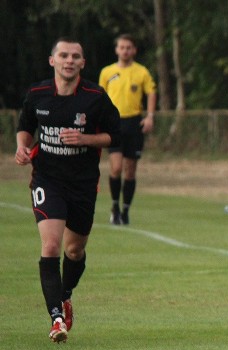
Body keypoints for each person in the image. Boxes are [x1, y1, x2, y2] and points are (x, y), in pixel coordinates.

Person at [15, 38, 121, 343]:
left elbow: (115, 136)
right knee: (50, 247)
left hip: (84, 184)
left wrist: (85, 140)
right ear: (53, 61)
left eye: (75, 56)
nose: (69, 60)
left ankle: (65, 295)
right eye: (63, 55)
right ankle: (56, 319)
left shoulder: (95, 97)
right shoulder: (37, 94)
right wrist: (22, 147)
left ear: (83, 63)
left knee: (74, 250)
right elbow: (26, 125)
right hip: (47, 180)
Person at [98, 34, 156, 226]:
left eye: (128, 47)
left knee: (130, 171)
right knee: (115, 167)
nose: (125, 50)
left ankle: (126, 210)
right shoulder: (107, 72)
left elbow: (151, 92)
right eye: (122, 47)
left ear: (134, 50)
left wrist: (149, 116)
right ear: (116, 50)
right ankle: (114, 206)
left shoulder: (141, 72)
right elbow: (100, 96)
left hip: (133, 123)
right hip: (114, 123)